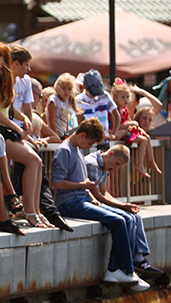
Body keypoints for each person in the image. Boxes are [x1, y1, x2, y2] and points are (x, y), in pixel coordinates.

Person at [51, 118, 150, 291]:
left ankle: (115, 270)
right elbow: (58, 184)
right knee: (118, 221)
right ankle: (126, 270)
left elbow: (81, 181)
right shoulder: (64, 151)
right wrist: (84, 187)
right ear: (82, 135)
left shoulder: (77, 149)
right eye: (89, 142)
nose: (88, 146)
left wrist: (89, 193)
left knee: (126, 219)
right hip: (69, 203)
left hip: (82, 199)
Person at [0, 43, 50, 229]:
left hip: (7, 130)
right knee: (32, 161)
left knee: (36, 161)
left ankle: (35, 211)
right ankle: (30, 212)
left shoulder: (4, 78)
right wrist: (19, 127)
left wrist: (23, 118)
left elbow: (7, 106)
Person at [84, 144, 162, 279]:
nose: (115, 169)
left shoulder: (104, 164)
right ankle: (128, 263)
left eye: (118, 167)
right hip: (89, 202)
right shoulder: (93, 163)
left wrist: (124, 205)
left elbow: (104, 192)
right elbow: (97, 196)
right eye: (116, 164)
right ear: (111, 154)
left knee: (135, 216)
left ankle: (138, 258)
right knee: (127, 218)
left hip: (98, 200)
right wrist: (122, 207)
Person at [110, 80, 161, 177]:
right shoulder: (115, 110)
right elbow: (117, 125)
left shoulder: (124, 110)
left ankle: (150, 161)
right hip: (116, 133)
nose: (126, 100)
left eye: (127, 97)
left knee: (146, 138)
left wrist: (136, 127)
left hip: (123, 132)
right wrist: (131, 123)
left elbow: (130, 124)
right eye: (123, 97)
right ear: (115, 98)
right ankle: (140, 164)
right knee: (143, 140)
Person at [77, 70, 120, 139]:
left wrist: (114, 134)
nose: (95, 95)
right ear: (84, 87)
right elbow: (78, 124)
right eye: (93, 92)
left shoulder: (105, 95)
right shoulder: (78, 100)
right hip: (87, 140)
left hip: (104, 138)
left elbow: (117, 116)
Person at [45, 73, 80, 140]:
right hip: (54, 132)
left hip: (62, 133)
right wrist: (56, 137)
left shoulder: (66, 100)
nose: (66, 91)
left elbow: (65, 118)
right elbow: (51, 120)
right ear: (58, 88)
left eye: (69, 89)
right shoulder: (54, 99)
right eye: (64, 88)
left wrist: (66, 134)